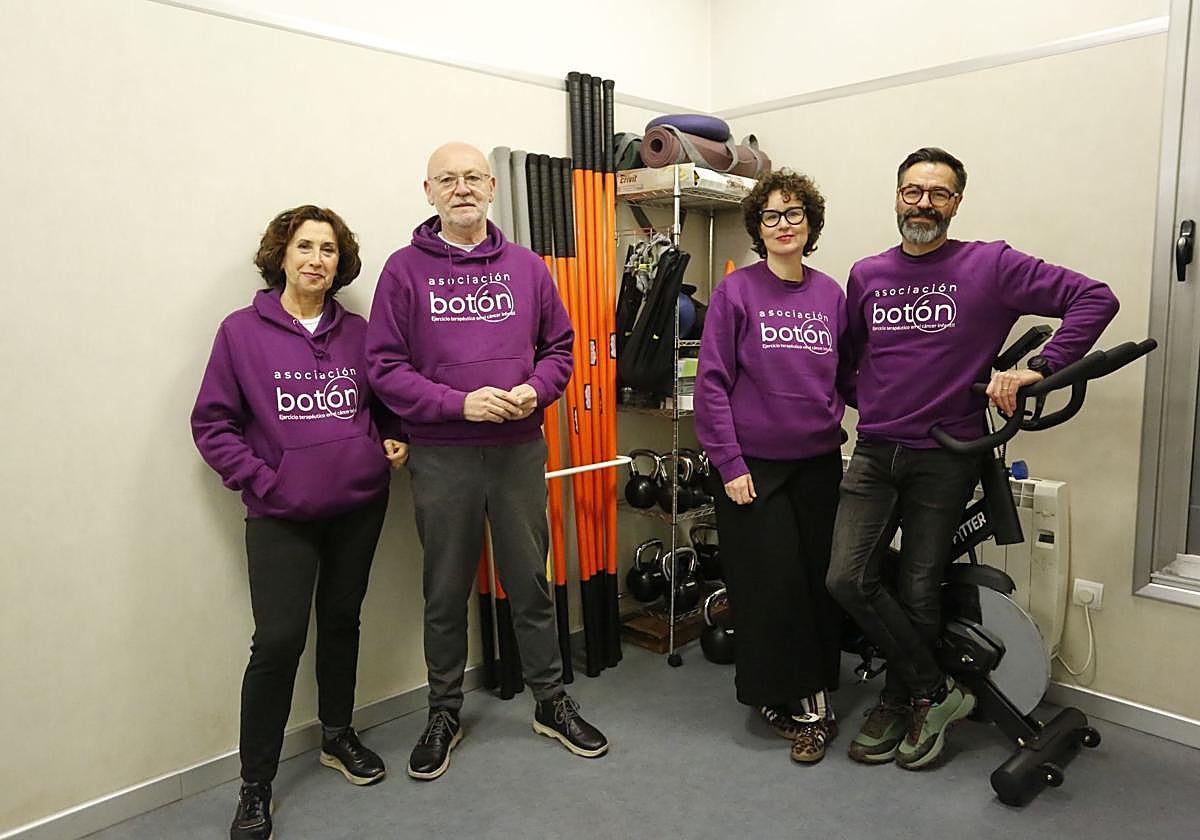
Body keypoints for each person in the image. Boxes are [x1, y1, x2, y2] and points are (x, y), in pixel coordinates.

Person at [827, 147, 1119, 770]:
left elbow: (1095, 298)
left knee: (919, 586)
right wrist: (868, 402)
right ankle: (936, 691)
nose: (924, 204)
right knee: (848, 578)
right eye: (913, 191)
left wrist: (1035, 369)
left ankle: (901, 697)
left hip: (947, 454)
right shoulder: (867, 274)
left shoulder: (991, 265)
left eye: (938, 193)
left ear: (957, 202)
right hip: (876, 450)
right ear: (897, 196)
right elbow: (848, 357)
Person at [366, 141, 608, 781]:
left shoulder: (526, 267)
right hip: (442, 457)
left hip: (518, 451)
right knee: (444, 590)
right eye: (448, 179)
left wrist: (538, 390)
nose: (462, 188)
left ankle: (551, 702)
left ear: (493, 188)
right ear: (428, 192)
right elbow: (384, 369)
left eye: (473, 177)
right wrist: (457, 405)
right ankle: (443, 710)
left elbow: (561, 346)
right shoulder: (403, 271)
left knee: (531, 582)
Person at [191, 205, 407, 840]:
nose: (317, 259)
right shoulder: (240, 333)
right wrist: (266, 479)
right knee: (279, 641)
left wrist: (391, 440)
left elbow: (388, 401)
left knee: (342, 622)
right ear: (281, 256)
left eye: (330, 250)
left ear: (341, 263)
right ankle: (255, 784)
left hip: (358, 507)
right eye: (305, 247)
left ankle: (337, 736)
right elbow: (212, 425)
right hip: (281, 514)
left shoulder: (362, 334)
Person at [694, 169, 855, 764]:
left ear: (810, 225)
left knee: (819, 582)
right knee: (771, 587)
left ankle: (812, 692)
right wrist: (729, 462)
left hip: (817, 461)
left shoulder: (830, 294)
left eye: (794, 215)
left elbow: (847, 375)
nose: (783, 225)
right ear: (758, 229)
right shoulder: (737, 292)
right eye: (771, 216)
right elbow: (710, 385)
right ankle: (789, 703)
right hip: (751, 466)